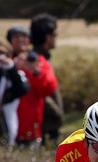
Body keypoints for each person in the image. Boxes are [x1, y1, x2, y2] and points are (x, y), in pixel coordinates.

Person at [10, 24, 58, 147]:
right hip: (7, 127)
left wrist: (35, 72)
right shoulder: (6, 61)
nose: (20, 39)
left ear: (29, 40)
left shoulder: (39, 61)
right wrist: (11, 68)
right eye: (16, 37)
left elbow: (49, 88)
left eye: (24, 36)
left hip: (32, 129)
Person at [30, 13, 64, 146]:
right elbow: (39, 90)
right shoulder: (35, 60)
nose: (56, 38)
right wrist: (56, 111)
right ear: (47, 37)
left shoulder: (44, 57)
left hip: (50, 123)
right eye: (54, 34)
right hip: (45, 124)